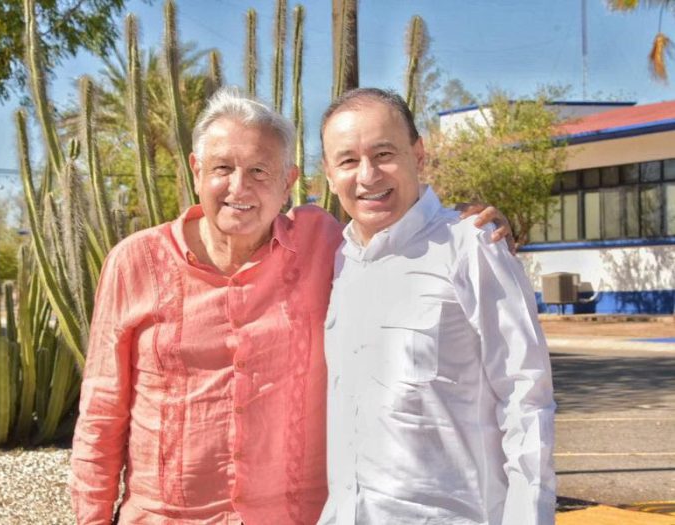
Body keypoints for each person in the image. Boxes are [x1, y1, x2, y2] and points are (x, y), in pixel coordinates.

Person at [70, 87, 512, 524]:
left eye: (260, 171)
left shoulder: (323, 244)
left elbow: (394, 238)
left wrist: (457, 225)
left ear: (288, 182)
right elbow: (101, 412)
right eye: (223, 168)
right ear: (196, 170)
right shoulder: (135, 262)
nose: (239, 187)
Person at [317, 88, 555, 525]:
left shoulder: (472, 245)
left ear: (418, 154)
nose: (368, 175)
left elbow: (527, 397)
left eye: (384, 154)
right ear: (329, 175)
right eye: (348, 161)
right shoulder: (339, 261)